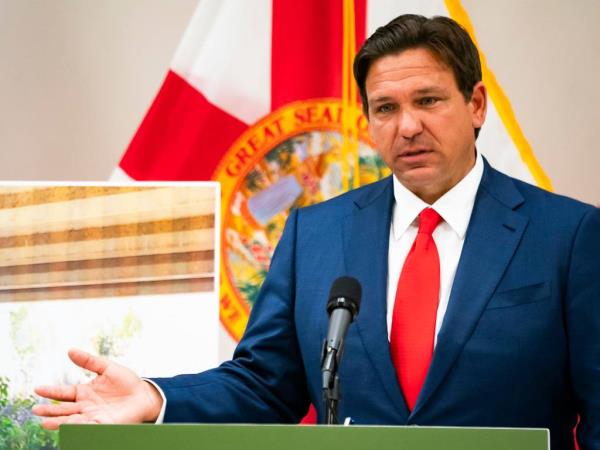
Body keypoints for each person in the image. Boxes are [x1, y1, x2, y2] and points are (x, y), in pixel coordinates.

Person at [33, 14, 599, 450]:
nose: (407, 126)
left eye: (428, 101)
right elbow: (263, 386)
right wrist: (156, 398)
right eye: (385, 108)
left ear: (475, 104)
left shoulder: (569, 236)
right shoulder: (315, 234)